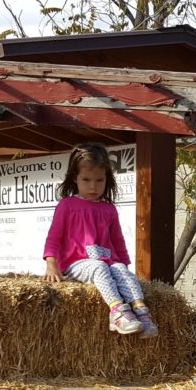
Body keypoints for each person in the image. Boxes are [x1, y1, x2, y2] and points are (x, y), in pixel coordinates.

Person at [43, 143, 157, 337]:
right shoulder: (67, 205)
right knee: (99, 268)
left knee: (119, 269)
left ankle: (141, 313)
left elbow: (118, 241)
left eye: (99, 180)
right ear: (75, 178)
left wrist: (125, 269)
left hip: (106, 261)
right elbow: (54, 236)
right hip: (75, 264)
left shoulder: (109, 209)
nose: (93, 186)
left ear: (107, 179)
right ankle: (117, 313)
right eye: (86, 180)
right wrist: (51, 264)